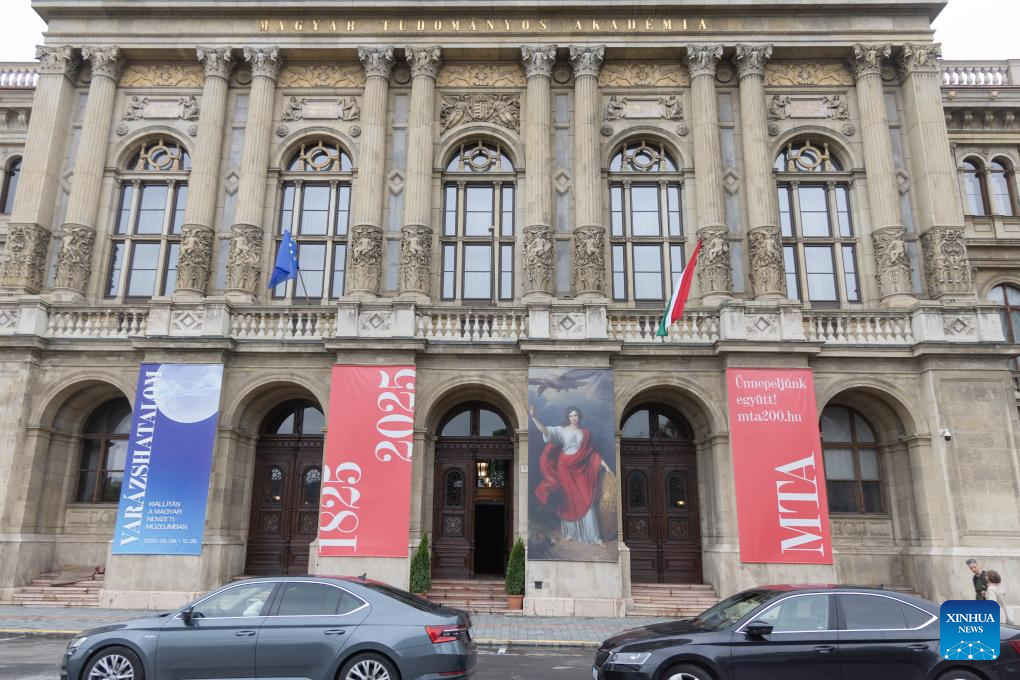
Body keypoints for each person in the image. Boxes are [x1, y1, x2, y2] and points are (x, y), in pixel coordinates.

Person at [529, 405, 611, 547]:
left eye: (576, 415)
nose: (573, 418)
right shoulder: (562, 430)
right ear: (568, 417)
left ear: (580, 417)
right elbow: (546, 430)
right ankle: (570, 533)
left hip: (580, 469)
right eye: (571, 416)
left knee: (586, 498)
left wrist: (606, 466)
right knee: (568, 500)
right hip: (565, 468)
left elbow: (592, 453)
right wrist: (534, 417)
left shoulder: (586, 433)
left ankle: (594, 537)